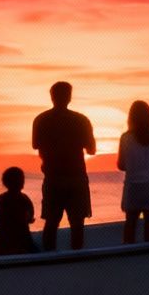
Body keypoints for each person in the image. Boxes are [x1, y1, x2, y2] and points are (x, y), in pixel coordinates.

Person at [31, 81, 96, 250]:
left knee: (51, 222)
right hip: (76, 177)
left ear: (52, 97)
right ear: (69, 97)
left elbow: (35, 145)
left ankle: (48, 259)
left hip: (53, 177)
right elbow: (92, 149)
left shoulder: (41, 120)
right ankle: (77, 258)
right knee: (77, 223)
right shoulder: (81, 120)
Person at [117, 100, 149, 244]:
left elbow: (121, 165)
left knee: (130, 225)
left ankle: (128, 257)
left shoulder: (126, 138)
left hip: (133, 185)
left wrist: (133, 165)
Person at [0, 167, 36, 255]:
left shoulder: (0, 199)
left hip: (2, 245)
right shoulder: (24, 199)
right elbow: (29, 219)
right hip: (21, 244)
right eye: (22, 179)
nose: (23, 181)